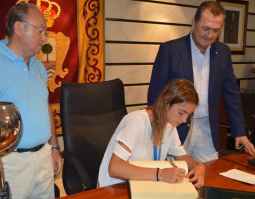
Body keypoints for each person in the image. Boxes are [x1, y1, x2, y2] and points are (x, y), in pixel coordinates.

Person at [0, 3, 62, 198]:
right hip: (9, 165)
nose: (44, 37)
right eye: (40, 30)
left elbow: (45, 108)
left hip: (43, 159)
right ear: (19, 28)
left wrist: (53, 147)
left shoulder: (39, 67)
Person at [147, 1, 255, 162]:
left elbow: (231, 94)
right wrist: (160, 129)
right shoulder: (170, 50)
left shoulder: (223, 52)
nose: (210, 35)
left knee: (207, 177)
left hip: (207, 128)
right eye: (205, 28)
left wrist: (240, 131)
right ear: (193, 23)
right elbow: (155, 94)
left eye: (215, 30)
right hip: (175, 126)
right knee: (174, 178)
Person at [98, 79, 205, 188]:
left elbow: (181, 157)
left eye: (188, 115)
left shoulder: (170, 125)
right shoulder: (137, 122)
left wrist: (199, 166)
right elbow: (115, 168)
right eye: (181, 113)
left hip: (141, 185)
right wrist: (161, 174)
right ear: (166, 103)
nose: (184, 120)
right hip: (114, 187)